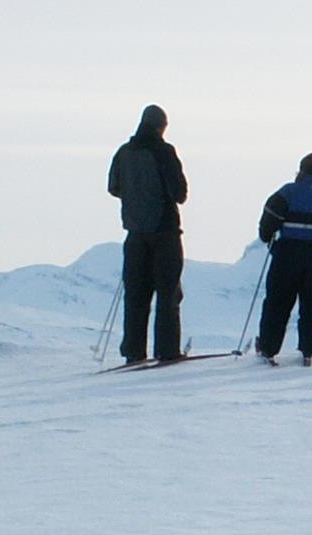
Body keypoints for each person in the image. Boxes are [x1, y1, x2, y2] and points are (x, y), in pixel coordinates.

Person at [107, 104, 188, 364]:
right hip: (164, 232)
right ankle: (167, 351)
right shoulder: (164, 152)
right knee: (167, 293)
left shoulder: (124, 152)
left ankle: (133, 352)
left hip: (134, 234)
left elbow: (113, 187)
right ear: (160, 126)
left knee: (136, 295)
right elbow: (180, 193)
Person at [255, 152, 312, 366]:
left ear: (301, 170)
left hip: (288, 253)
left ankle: (268, 348)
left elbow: (269, 217)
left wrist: (268, 236)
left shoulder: (288, 191)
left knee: (278, 302)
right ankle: (309, 349)